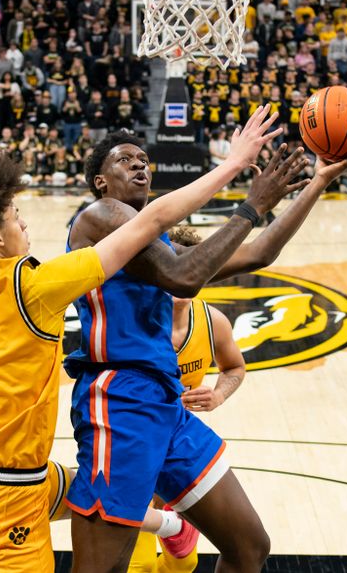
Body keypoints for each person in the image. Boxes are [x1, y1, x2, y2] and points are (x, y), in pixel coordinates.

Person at [0, 18, 280, 573]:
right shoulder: (33, 283)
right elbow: (148, 222)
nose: (24, 223)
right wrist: (232, 168)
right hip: (1, 495)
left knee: (100, 496)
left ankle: (170, 526)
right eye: (15, 217)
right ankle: (164, 524)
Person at [64, 126, 347, 570]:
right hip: (119, 400)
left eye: (144, 160)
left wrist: (320, 180)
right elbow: (184, 277)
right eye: (125, 159)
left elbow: (259, 253)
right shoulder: (98, 215)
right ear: (99, 181)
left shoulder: (157, 243)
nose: (139, 164)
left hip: (164, 405)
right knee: (101, 569)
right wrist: (253, 205)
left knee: (249, 546)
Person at [128, 227, 247, 573]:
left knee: (185, 564)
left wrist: (219, 393)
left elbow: (235, 367)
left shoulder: (213, 323)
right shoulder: (134, 322)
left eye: (189, 266)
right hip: (132, 444)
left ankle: (172, 525)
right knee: (138, 567)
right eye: (172, 266)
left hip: (176, 446)